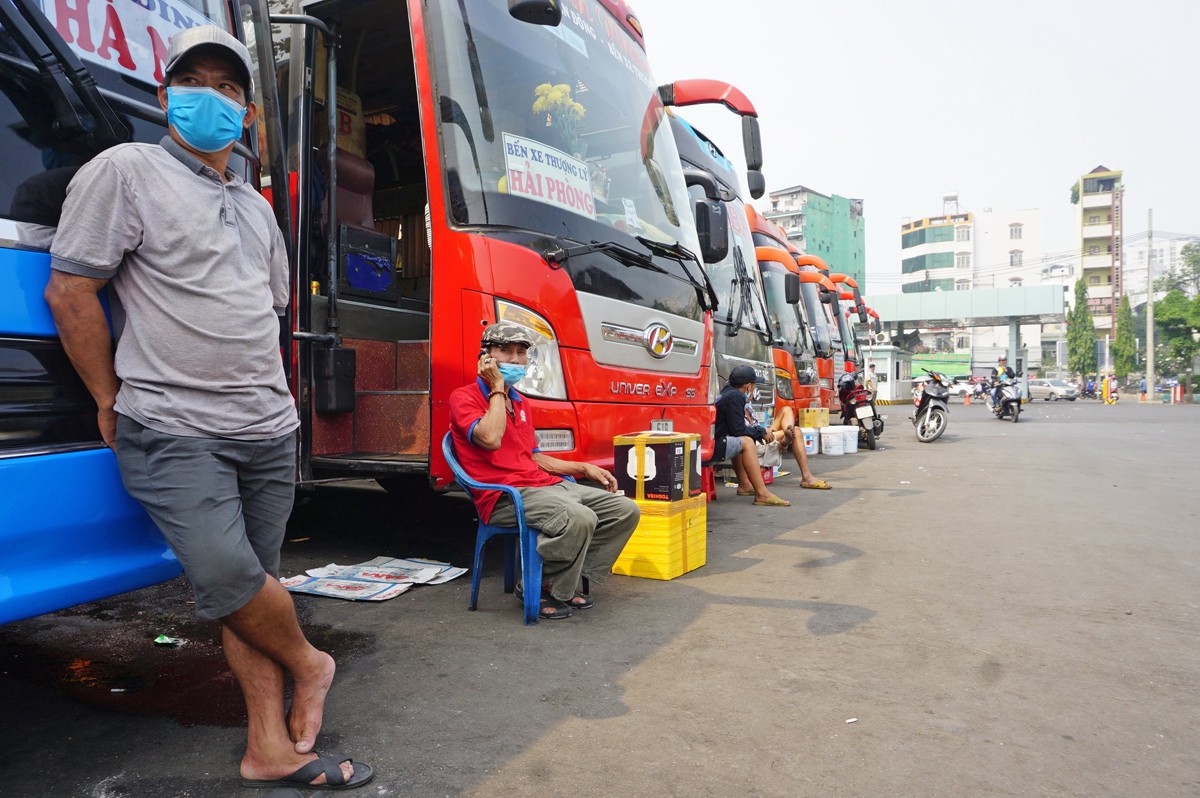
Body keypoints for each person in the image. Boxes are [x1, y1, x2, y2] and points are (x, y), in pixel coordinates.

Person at [43, 26, 372, 791]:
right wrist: (107, 397)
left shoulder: (256, 209)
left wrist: (284, 405)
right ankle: (309, 662)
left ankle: (267, 748)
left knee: (251, 586)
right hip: (172, 423)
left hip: (265, 426)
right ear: (165, 97)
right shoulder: (124, 170)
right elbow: (71, 290)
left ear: (249, 116)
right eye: (194, 81)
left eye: (229, 88)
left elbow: (268, 313)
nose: (211, 98)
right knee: (229, 580)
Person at [448, 322, 640, 620]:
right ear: (485, 357)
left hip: (541, 485)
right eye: (505, 351)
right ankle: (538, 586)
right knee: (580, 517)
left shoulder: (521, 402)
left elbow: (534, 458)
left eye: (520, 353)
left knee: (625, 510)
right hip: (503, 497)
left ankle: (563, 581)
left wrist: (583, 467)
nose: (514, 360)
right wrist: (497, 389)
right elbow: (490, 438)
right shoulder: (464, 397)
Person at [713, 365, 790, 506]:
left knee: (740, 441)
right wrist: (761, 432)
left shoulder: (727, 393)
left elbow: (735, 430)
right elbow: (739, 430)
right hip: (714, 445)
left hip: (713, 441)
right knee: (746, 442)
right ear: (748, 386)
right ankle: (762, 493)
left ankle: (745, 485)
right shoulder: (736, 396)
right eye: (754, 385)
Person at [766, 404, 830, 489]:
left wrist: (768, 430)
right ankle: (807, 477)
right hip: (758, 437)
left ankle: (787, 436)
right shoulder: (742, 403)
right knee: (796, 431)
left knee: (786, 409)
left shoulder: (748, 405)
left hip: (763, 433)